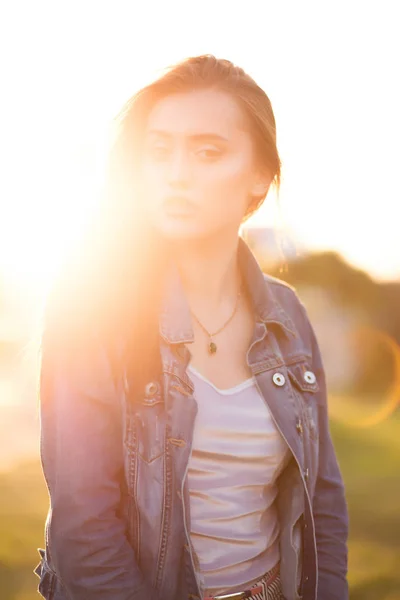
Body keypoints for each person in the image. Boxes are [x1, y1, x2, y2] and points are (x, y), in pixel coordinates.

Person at [34, 54, 348, 600]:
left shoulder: (288, 317)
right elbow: (85, 528)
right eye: (159, 150)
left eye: (208, 151)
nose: (177, 172)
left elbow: (322, 501)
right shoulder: (92, 305)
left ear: (259, 177)